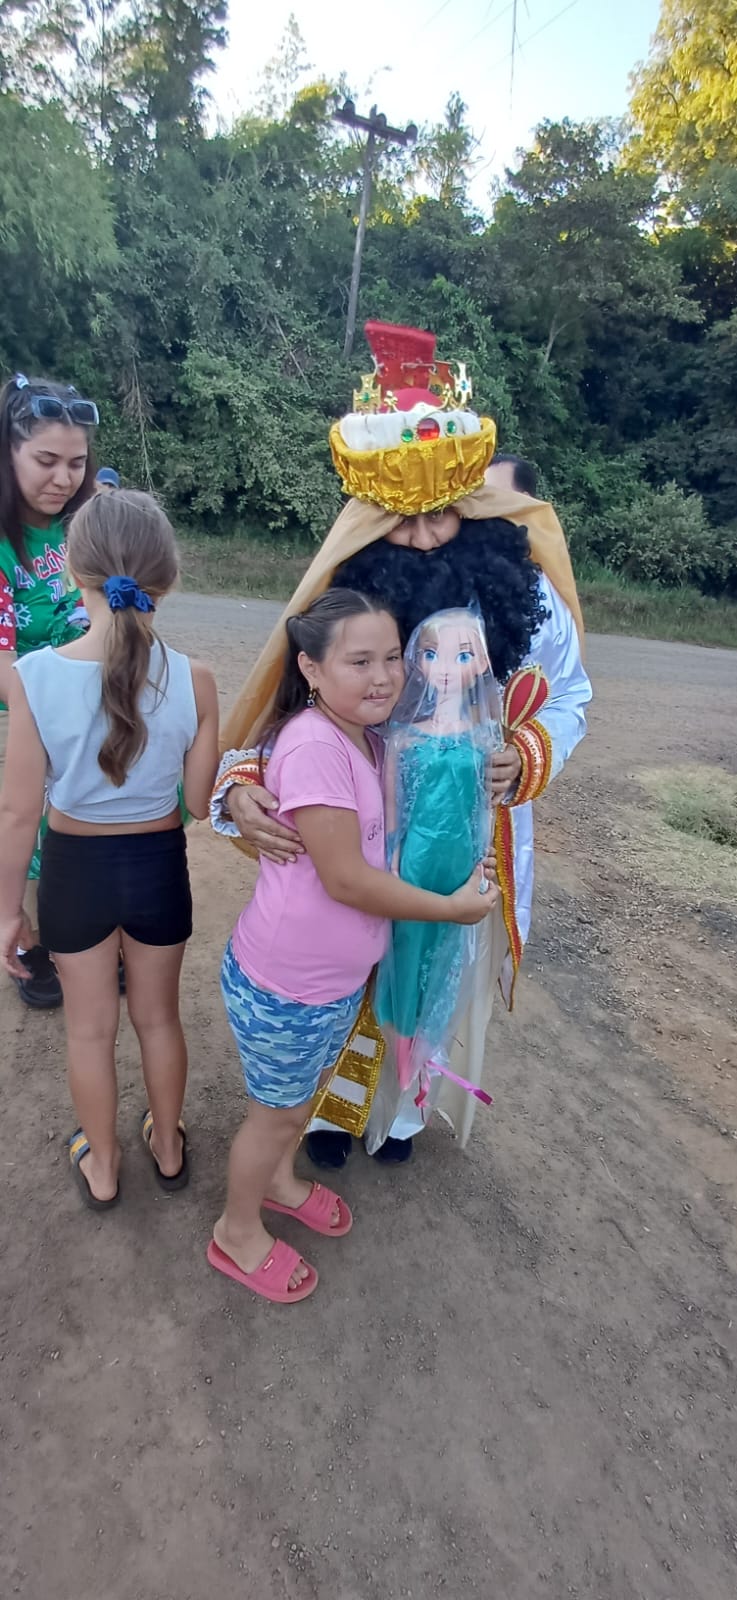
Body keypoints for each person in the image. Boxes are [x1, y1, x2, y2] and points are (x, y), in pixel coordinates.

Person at [212, 320, 591, 1167]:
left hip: (468, 832)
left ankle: (407, 1113)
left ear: (476, 505)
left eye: (443, 518)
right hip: (355, 833)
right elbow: (276, 708)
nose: (421, 536)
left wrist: (527, 751)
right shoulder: (347, 594)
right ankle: (326, 1117)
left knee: (438, 969)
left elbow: (570, 696)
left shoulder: (527, 596)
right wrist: (242, 787)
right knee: (350, 967)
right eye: (400, 520)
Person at [208, 588, 497, 1303]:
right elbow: (345, 879)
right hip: (288, 982)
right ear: (309, 667)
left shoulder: (366, 736)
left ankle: (276, 1181)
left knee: (296, 1098)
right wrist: (448, 909)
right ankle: (235, 1231)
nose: (382, 676)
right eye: (358, 660)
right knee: (273, 1113)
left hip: (329, 980)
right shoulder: (314, 745)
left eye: (393, 657)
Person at [0, 490, 219, 1209]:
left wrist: (8, 911)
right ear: (168, 579)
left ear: (73, 576)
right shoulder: (196, 681)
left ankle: (101, 1167)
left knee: (89, 1032)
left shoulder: (34, 678)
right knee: (158, 1018)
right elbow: (193, 801)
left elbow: (18, 810)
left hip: (72, 876)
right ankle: (167, 1145)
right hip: (157, 870)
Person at [0, 372, 98, 1008]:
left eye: (77, 463)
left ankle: (81, 939)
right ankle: (29, 942)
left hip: (80, 711)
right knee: (25, 827)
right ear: (8, 452)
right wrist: (61, 713)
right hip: (19, 716)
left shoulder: (84, 529)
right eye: (46, 460)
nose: (62, 478)